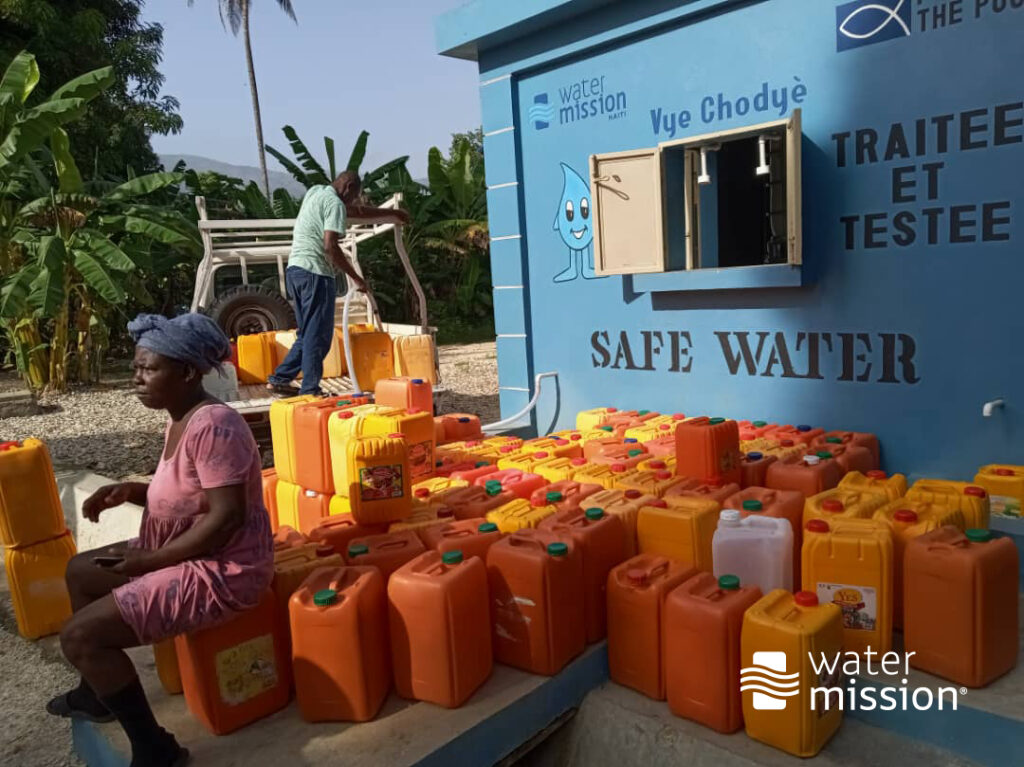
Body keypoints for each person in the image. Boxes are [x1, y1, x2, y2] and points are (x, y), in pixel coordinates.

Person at [49, 313, 275, 767]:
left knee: (80, 638)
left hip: (223, 570)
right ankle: (95, 694)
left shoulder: (214, 426)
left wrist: (148, 562)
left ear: (188, 372)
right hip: (184, 552)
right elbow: (190, 492)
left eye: (148, 369)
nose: (136, 379)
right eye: (136, 368)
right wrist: (131, 492)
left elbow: (226, 518)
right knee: (79, 571)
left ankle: (156, 750)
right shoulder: (181, 418)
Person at [267, 170, 409, 396]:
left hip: (295, 270)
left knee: (307, 334)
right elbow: (330, 246)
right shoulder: (335, 204)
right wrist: (356, 278)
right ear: (349, 187)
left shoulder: (316, 192)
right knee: (318, 337)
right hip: (315, 273)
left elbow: (354, 211)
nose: (354, 201)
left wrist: (391, 214)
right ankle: (310, 390)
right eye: (355, 195)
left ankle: (279, 379)